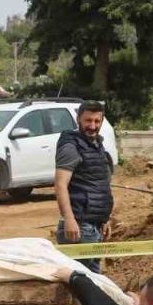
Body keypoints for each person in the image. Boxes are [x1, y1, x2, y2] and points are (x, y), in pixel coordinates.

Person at [54, 101, 113, 273]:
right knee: (83, 285)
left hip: (94, 226)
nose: (92, 126)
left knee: (91, 283)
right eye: (88, 121)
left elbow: (98, 185)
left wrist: (104, 219)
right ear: (78, 119)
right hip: (80, 228)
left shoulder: (96, 145)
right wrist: (70, 220)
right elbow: (60, 185)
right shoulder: (71, 146)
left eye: (97, 121)